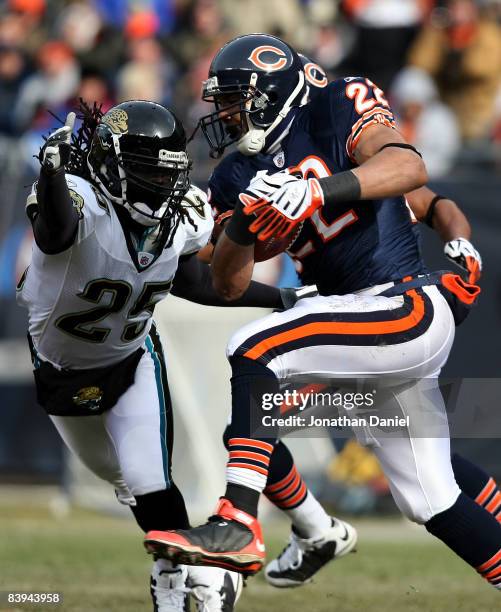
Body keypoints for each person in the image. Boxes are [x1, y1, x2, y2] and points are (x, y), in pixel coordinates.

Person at [143, 34, 501, 594]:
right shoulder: (237, 172)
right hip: (351, 321)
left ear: (271, 95)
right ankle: (312, 531)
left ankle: (239, 523)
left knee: (255, 349)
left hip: (398, 304)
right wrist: (243, 222)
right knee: (431, 499)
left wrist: (317, 192)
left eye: (236, 99)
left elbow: (408, 166)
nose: (226, 114)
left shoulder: (337, 102)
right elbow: (227, 283)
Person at [16, 98, 313, 611]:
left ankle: (175, 582)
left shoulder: (181, 215)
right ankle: (178, 566)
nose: (164, 186)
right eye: (150, 173)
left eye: (170, 172)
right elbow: (56, 232)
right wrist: (51, 171)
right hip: (63, 375)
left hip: (133, 359)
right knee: (123, 481)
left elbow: (197, 280)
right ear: (111, 165)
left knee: (152, 481)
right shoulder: (74, 198)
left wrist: (282, 297)